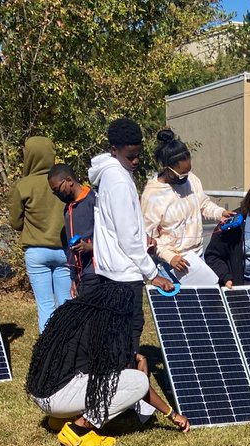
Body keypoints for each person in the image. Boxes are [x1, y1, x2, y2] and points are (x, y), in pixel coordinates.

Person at [88, 117, 175, 352]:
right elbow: (127, 237)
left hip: (113, 269)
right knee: (129, 331)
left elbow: (120, 225)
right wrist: (152, 273)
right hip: (124, 274)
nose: (135, 161)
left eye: (138, 155)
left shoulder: (111, 172)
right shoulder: (118, 181)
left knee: (116, 330)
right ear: (114, 150)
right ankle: (128, 381)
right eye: (130, 156)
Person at [140, 128, 233, 287]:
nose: (186, 178)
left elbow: (203, 204)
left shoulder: (192, 180)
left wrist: (220, 213)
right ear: (167, 168)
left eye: (188, 172)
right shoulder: (152, 196)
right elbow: (148, 240)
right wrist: (170, 257)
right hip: (173, 264)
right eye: (181, 175)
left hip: (197, 258)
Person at [9, 137, 69, 331]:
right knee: (66, 304)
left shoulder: (23, 185)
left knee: (45, 305)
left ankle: (48, 351)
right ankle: (68, 346)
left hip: (36, 252)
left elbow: (15, 222)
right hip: (64, 250)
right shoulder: (62, 181)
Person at [47, 163, 97, 296]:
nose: (58, 194)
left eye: (58, 189)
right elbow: (71, 249)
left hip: (96, 274)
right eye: (54, 192)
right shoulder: (67, 209)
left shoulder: (93, 201)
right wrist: (73, 279)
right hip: (80, 277)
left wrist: (90, 246)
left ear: (69, 181)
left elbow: (110, 236)